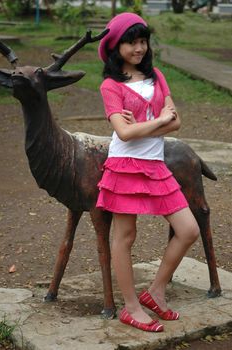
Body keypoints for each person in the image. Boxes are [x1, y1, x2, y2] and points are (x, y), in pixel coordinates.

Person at [96, 12, 200, 332]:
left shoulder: (156, 75)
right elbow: (124, 135)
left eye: (143, 41)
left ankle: (155, 292)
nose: (139, 48)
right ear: (116, 46)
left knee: (188, 229)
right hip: (125, 165)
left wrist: (140, 125)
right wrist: (157, 122)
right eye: (131, 42)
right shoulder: (110, 86)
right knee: (125, 237)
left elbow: (177, 122)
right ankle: (130, 307)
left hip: (155, 164)